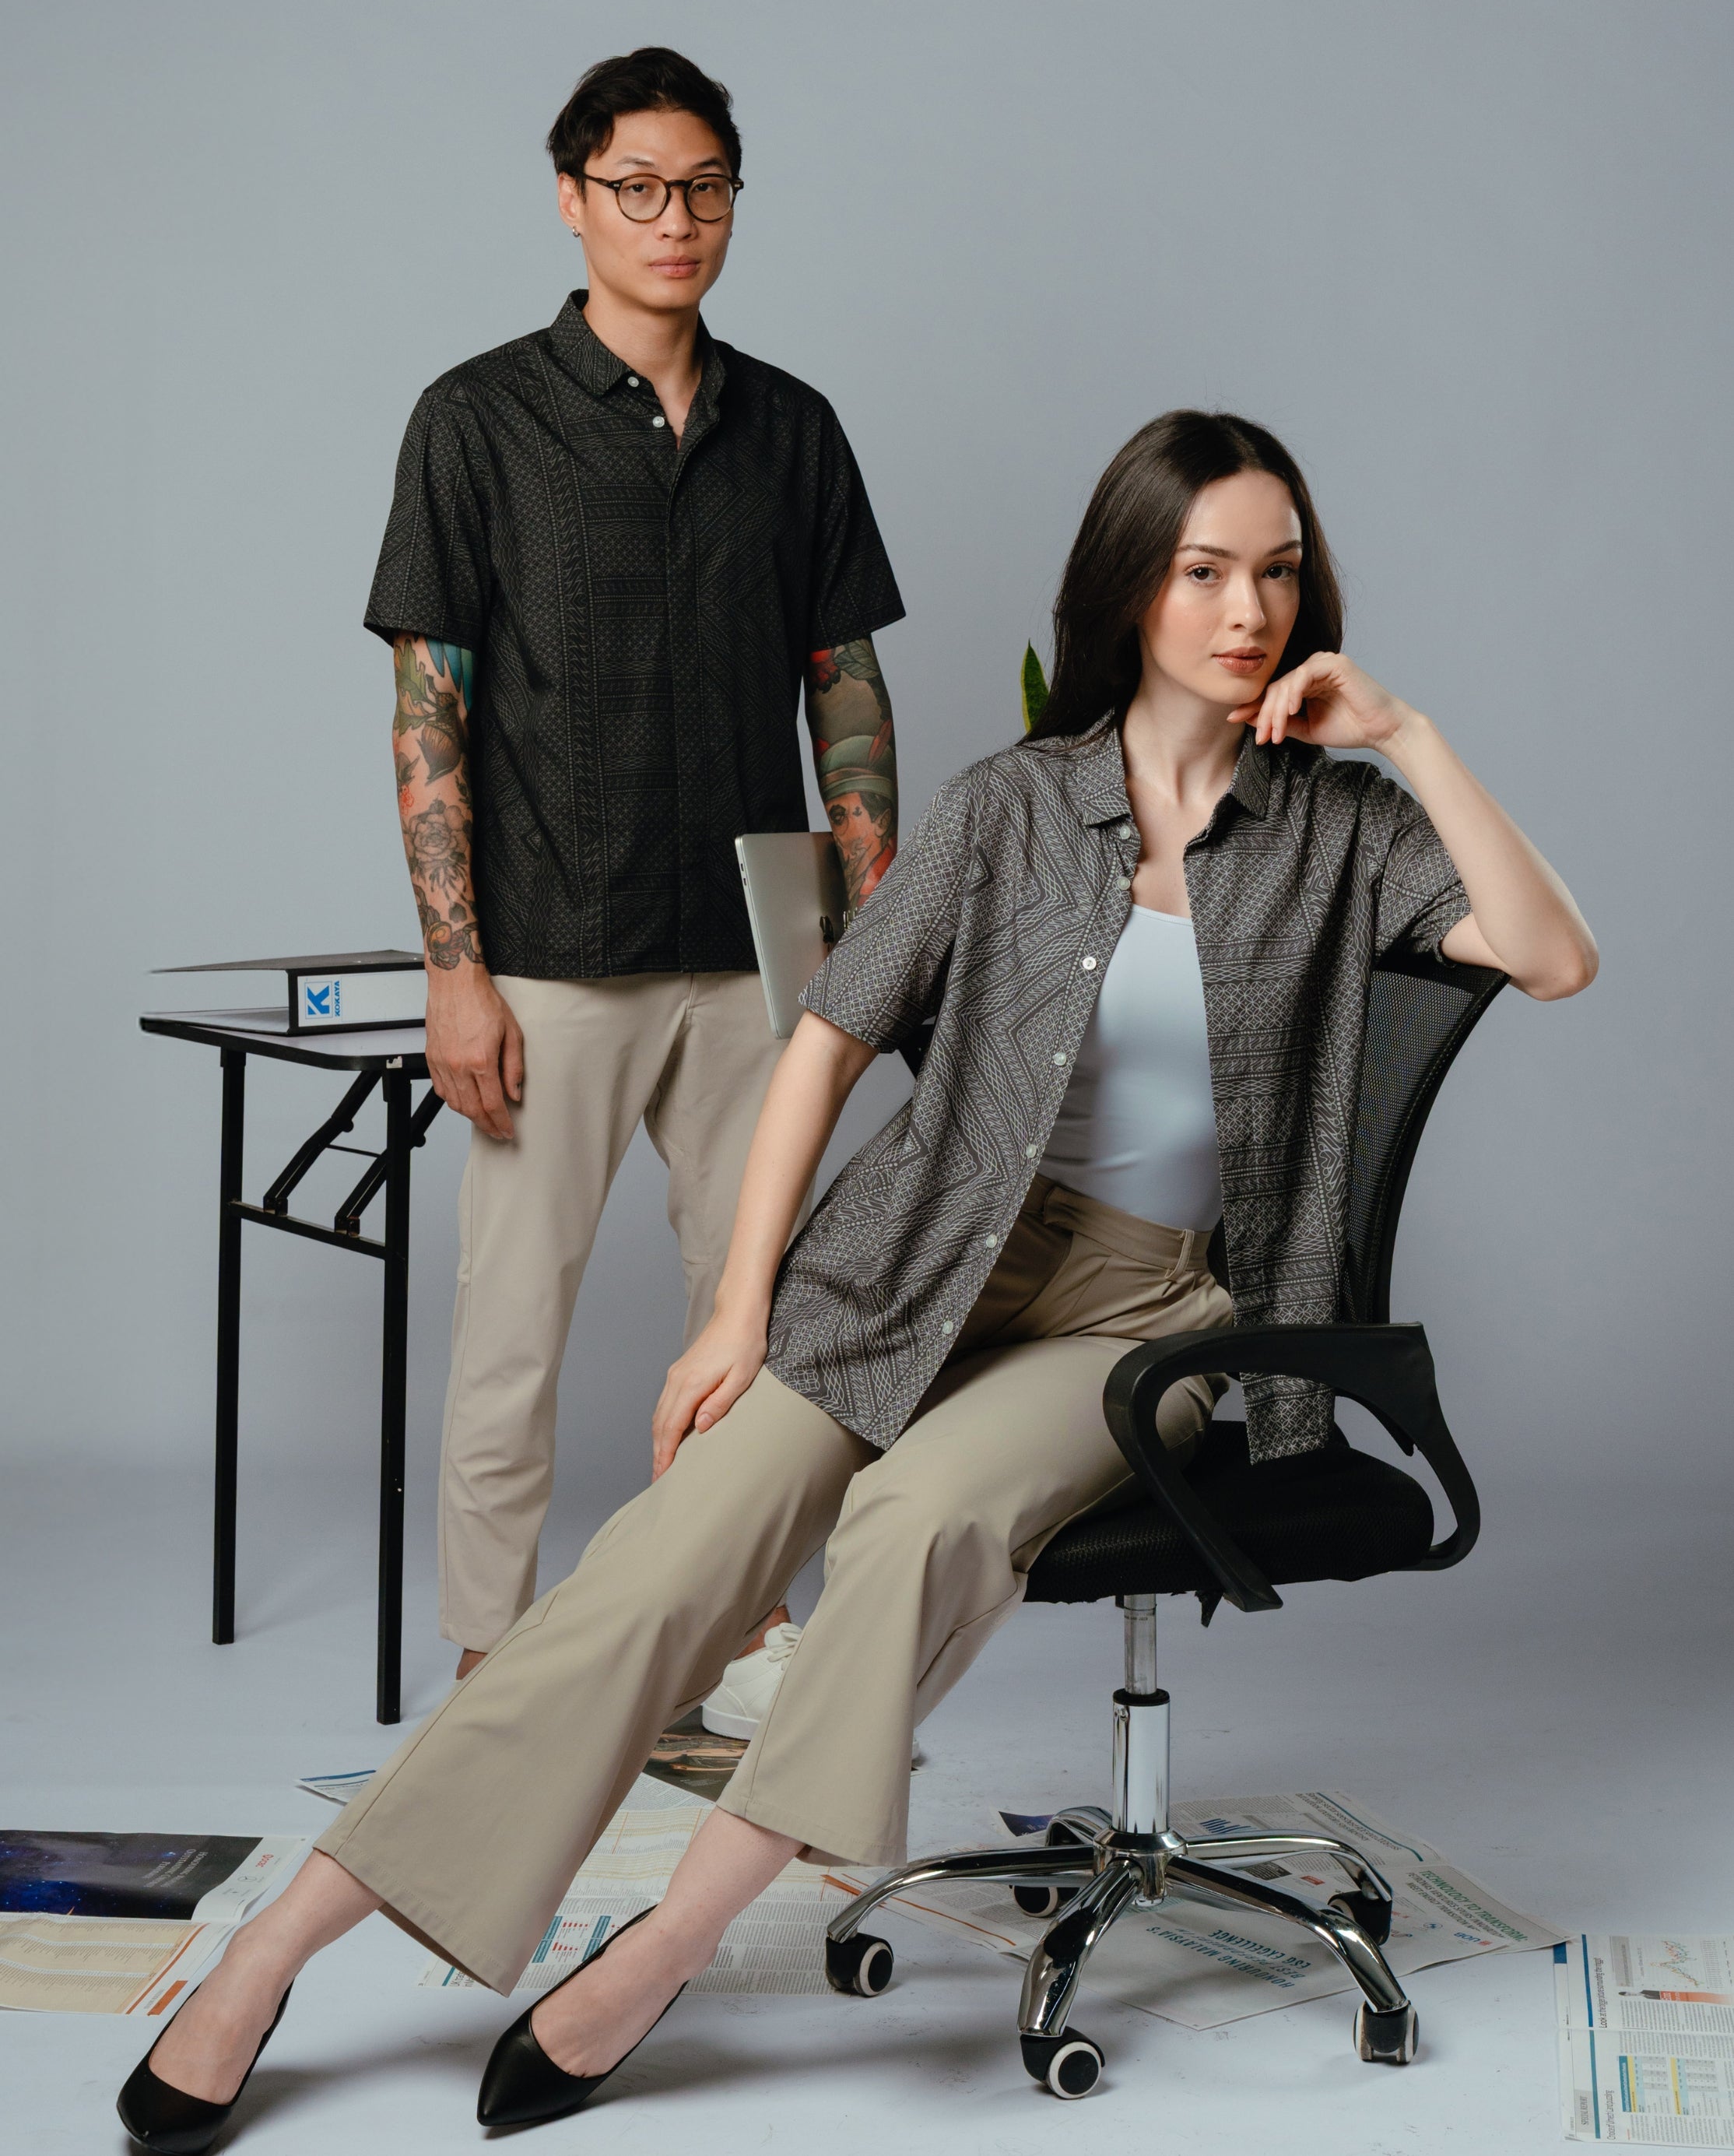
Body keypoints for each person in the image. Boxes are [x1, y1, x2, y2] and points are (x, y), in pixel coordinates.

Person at [118, 412, 1596, 2146]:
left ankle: (665, 1950)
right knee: (651, 1570)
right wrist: (737, 1308)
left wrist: (1407, 733)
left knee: (916, 1521)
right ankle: (277, 1946)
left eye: (1275, 573)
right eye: (1204, 571)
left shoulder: (1342, 827)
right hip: (928, 1260)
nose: (1245, 610)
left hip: (1161, 1308)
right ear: (1132, 588)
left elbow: (1553, 954)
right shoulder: (1009, 806)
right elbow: (825, 1037)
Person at [377, 47, 904, 1696]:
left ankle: (737, 1629)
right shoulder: (476, 420)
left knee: (761, 1315)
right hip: (551, 947)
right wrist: (454, 971)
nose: (675, 220)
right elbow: (428, 707)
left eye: (706, 188)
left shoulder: (793, 429)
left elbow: (844, 681)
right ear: (573, 198)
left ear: (734, 201)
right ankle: (489, 1663)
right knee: (510, 1328)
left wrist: (878, 916)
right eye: (638, 189)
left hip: (760, 954)